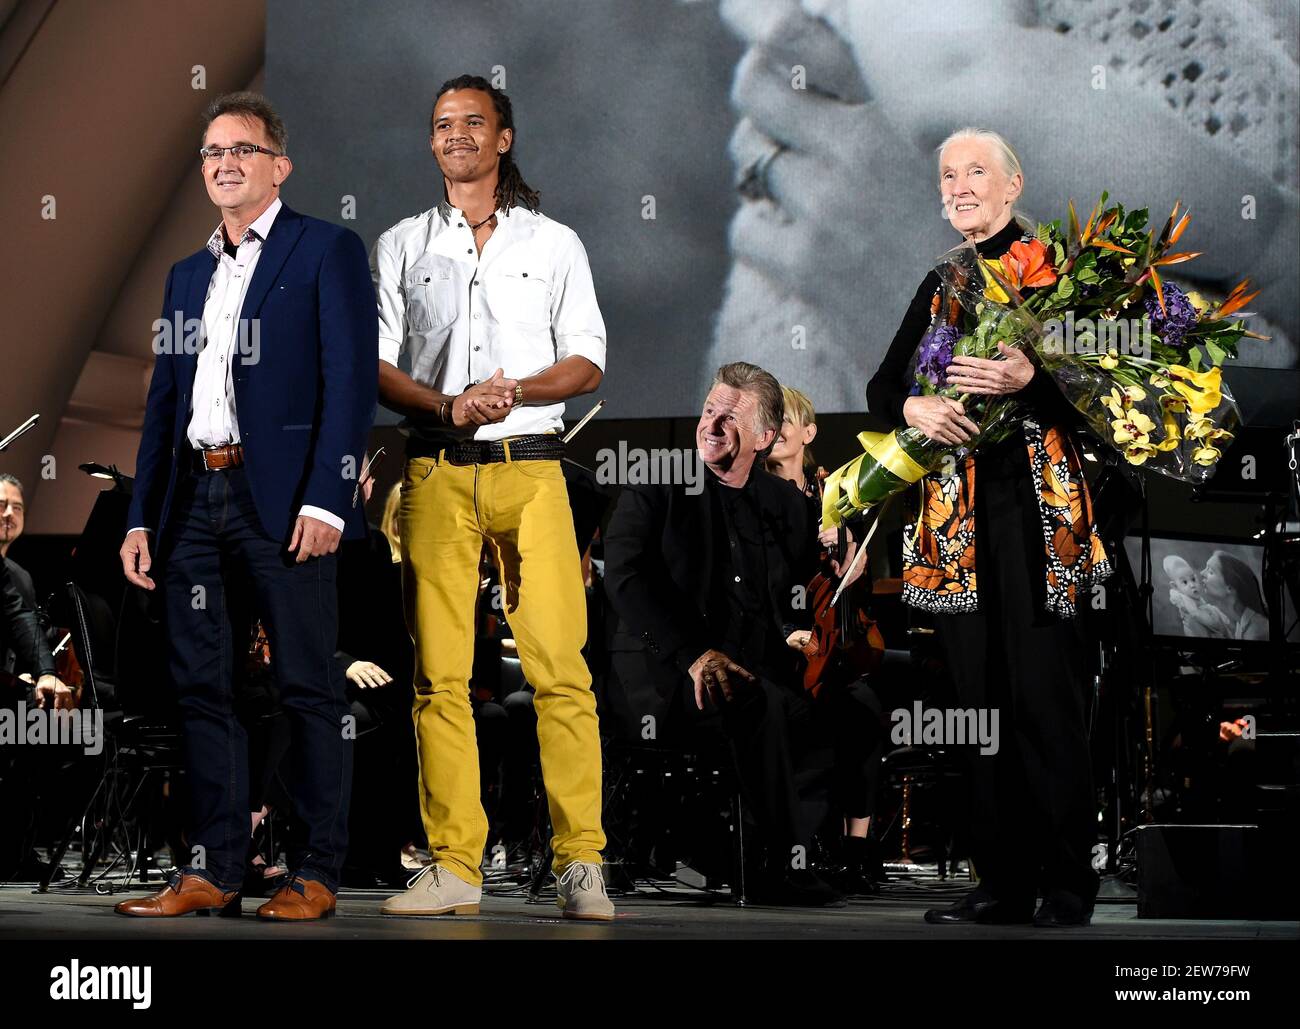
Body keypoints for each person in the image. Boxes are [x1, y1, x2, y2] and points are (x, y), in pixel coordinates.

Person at [116, 92, 378, 920]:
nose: (224, 161)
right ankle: (213, 869)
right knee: (203, 689)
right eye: (211, 151)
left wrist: (329, 499)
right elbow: (164, 404)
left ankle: (318, 873)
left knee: (306, 687)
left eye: (242, 148)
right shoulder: (187, 275)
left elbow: (351, 384)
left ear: (279, 164)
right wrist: (138, 515)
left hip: (287, 500)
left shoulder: (325, 248)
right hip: (195, 497)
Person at [371, 75, 611, 920]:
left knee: (560, 671)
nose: (457, 134)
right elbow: (379, 364)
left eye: (474, 122)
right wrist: (447, 404)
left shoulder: (553, 243)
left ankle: (582, 863)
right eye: (443, 124)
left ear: (503, 138)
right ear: (432, 143)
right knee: (439, 676)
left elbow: (586, 360)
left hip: (533, 463)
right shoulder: (402, 243)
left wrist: (516, 391)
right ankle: (455, 866)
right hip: (437, 468)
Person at [865, 128, 1110, 928]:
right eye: (948, 174)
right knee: (980, 708)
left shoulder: (1061, 272)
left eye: (976, 171)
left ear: (1013, 185)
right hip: (961, 527)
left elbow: (1111, 400)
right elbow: (879, 385)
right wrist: (915, 406)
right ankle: (1001, 880)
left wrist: (1034, 377)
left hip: (1040, 520)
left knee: (1048, 703)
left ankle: (1069, 880)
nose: (959, 185)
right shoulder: (943, 280)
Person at [604, 362, 881, 906]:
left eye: (730, 418)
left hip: (752, 670)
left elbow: (811, 583)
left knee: (839, 708)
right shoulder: (656, 480)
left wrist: (845, 555)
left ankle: (813, 854)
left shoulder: (784, 505)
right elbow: (627, 578)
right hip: (664, 673)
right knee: (761, 705)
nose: (712, 425)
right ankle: (773, 866)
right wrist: (693, 654)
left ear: (766, 437)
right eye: (709, 411)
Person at [765, 386, 883, 892]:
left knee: (863, 709)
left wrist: (853, 560)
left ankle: (856, 846)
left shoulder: (832, 494)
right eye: (771, 420)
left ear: (809, 433)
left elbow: (857, 574)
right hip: (777, 640)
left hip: (827, 641)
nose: (778, 430)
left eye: (787, 419)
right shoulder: (754, 494)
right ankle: (798, 846)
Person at [1200, 552, 1269, 642]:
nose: (1202, 573)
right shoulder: (1240, 626)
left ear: (1230, 587)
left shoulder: (1256, 632)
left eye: (1210, 572)